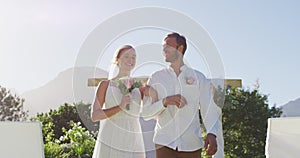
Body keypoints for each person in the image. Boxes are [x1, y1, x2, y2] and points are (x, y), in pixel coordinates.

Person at [142, 32, 221, 158]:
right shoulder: (156, 78)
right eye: (163, 46)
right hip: (164, 143)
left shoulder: (199, 78)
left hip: (192, 144)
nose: (164, 49)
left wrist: (212, 133)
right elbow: (146, 113)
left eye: (168, 45)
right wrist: (165, 101)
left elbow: (208, 108)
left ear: (180, 48)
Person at [91, 45, 146, 158]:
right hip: (111, 135)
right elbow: (95, 115)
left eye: (134, 57)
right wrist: (120, 107)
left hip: (133, 136)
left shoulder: (139, 87)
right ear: (117, 60)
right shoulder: (105, 85)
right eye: (126, 56)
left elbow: (151, 106)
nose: (131, 60)